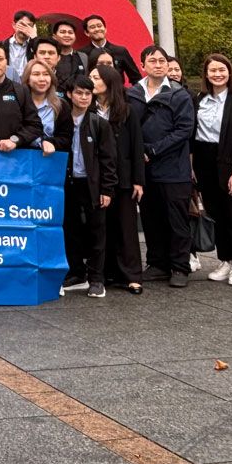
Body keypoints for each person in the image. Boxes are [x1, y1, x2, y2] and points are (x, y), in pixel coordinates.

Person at [127, 45, 196, 288]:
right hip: (144, 169)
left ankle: (179, 266)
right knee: (151, 217)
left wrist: (153, 150)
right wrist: (138, 152)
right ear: (142, 64)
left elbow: (184, 130)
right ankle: (157, 263)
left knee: (177, 220)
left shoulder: (180, 95)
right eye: (152, 60)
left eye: (162, 60)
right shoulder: (132, 94)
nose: (158, 64)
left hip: (173, 168)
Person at [192, 53, 232, 286]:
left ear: (229, 73)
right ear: (206, 74)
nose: (217, 74)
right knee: (216, 216)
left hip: (229, 163)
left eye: (222, 70)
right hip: (204, 164)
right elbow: (193, 136)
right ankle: (225, 260)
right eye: (213, 70)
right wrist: (192, 167)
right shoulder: (199, 100)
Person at [55, 76, 116, 298]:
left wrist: (107, 189)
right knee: (70, 230)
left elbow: (109, 159)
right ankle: (77, 273)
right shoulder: (61, 121)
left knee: (97, 231)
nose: (83, 97)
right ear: (70, 95)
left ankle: (97, 279)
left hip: (93, 185)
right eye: (79, 93)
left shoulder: (98, 123)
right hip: (69, 183)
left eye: (87, 94)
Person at [92, 64, 145, 295]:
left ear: (109, 81)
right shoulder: (88, 109)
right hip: (97, 177)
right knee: (103, 227)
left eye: (96, 77)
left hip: (123, 178)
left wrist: (138, 180)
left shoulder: (127, 110)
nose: (91, 81)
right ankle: (107, 272)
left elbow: (136, 146)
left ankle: (132, 275)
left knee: (126, 227)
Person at [82, 14, 141, 85]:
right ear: (86, 33)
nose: (97, 29)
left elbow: (136, 78)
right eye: (92, 27)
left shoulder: (121, 51)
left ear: (105, 29)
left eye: (99, 26)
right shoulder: (82, 54)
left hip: (118, 94)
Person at [20, 59, 62, 146]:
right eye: (36, 74)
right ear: (27, 78)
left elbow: (65, 138)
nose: (42, 79)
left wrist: (51, 143)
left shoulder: (61, 105)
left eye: (46, 74)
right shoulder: (17, 103)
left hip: (49, 157)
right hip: (21, 156)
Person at [51, 20, 88, 87]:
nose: (67, 35)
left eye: (70, 32)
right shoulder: (49, 57)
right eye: (62, 32)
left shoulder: (83, 57)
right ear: (54, 37)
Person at [3, 10, 38, 76]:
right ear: (14, 25)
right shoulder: (2, 45)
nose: (24, 29)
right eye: (22, 25)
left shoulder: (34, 45)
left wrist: (34, 38)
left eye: (29, 25)